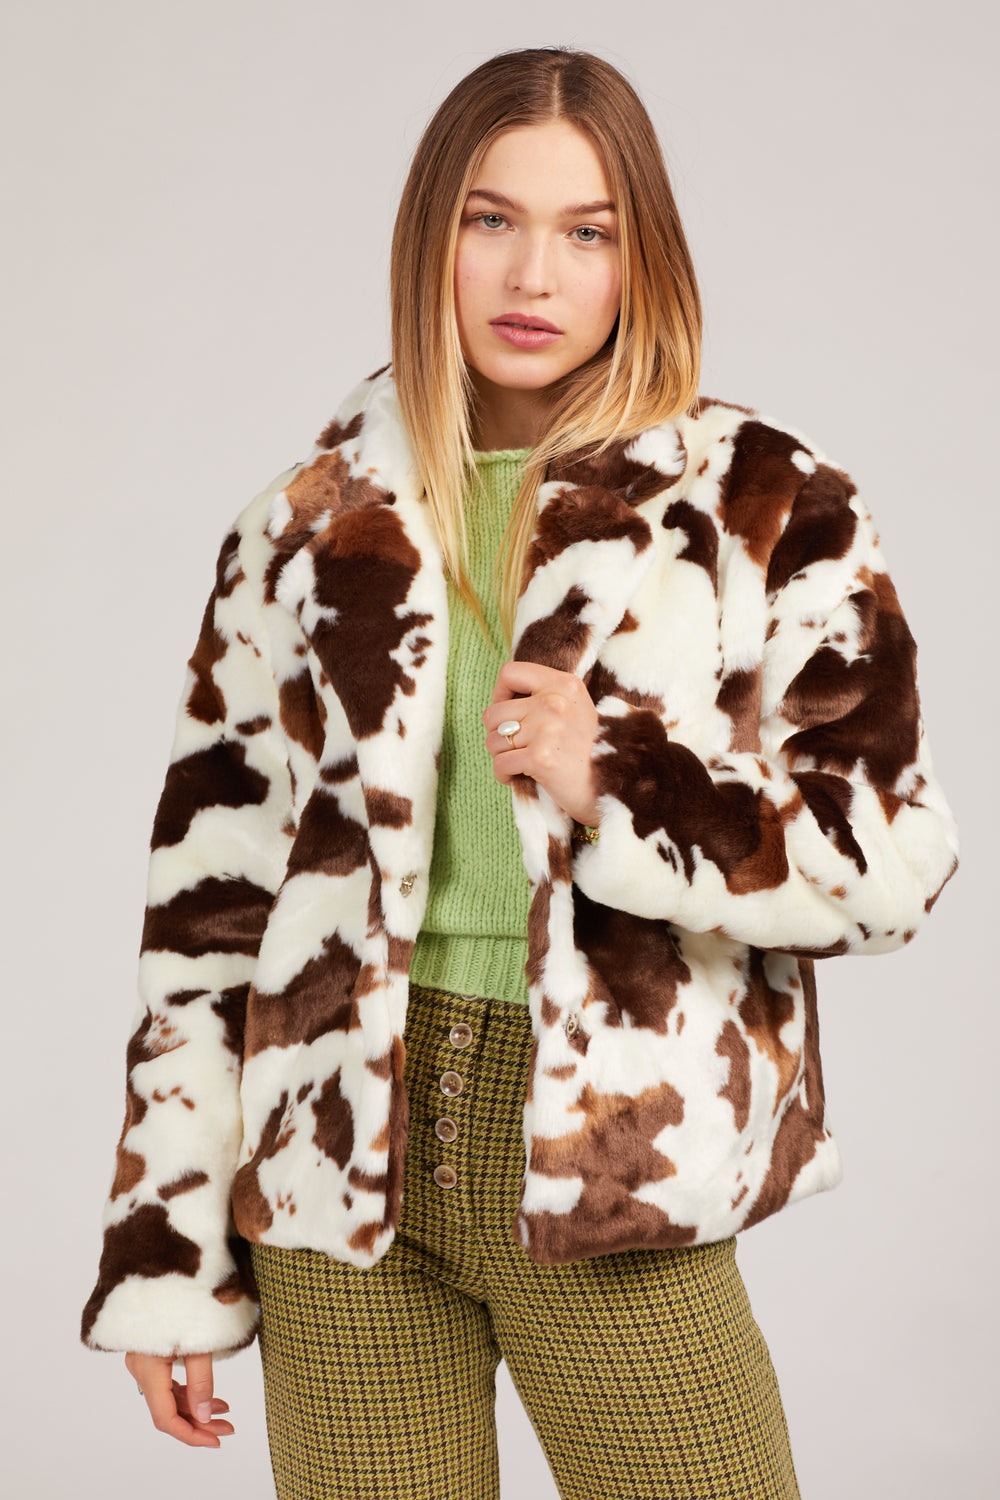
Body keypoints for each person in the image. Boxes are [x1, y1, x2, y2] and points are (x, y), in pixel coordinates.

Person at [80, 44, 959, 1500]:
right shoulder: (302, 529)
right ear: (431, 238)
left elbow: (890, 863)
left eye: (586, 230)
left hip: (614, 1160)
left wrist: (623, 778)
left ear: (640, 256)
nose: (531, 274)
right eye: (490, 219)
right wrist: (166, 1252)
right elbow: (208, 920)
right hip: (336, 1160)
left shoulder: (765, 504)